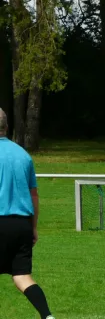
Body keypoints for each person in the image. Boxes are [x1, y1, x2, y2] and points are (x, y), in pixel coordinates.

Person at [0, 108, 55, 319]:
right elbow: (34, 196)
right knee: (22, 277)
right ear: (6, 126)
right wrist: (33, 227)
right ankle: (47, 316)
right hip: (21, 224)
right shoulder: (23, 155)